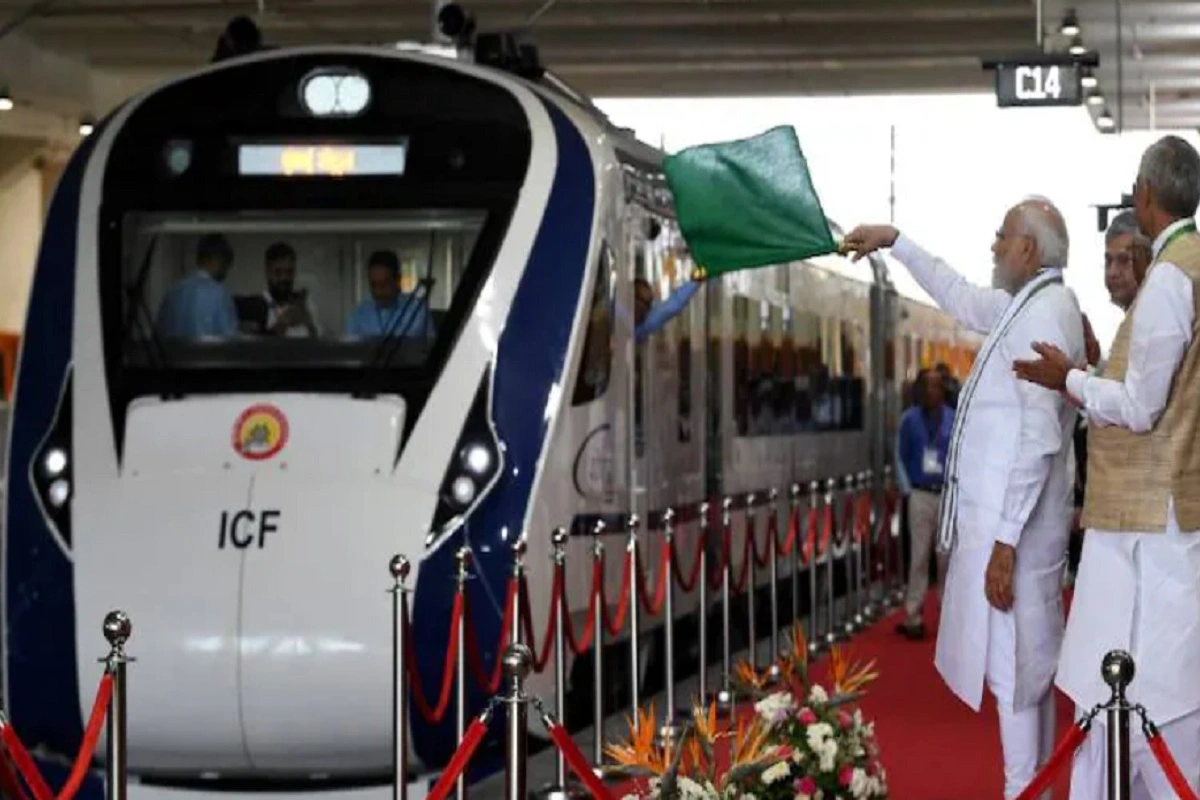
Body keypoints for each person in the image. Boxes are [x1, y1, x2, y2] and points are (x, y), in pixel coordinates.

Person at [843, 197, 1085, 800]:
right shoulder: (1024, 305)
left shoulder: (1041, 315)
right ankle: (1031, 790)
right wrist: (897, 240)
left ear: (1029, 249)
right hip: (1016, 534)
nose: (994, 244)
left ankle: (1021, 791)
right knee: (1022, 680)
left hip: (1018, 539)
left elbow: (1038, 438)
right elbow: (955, 293)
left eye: (1003, 236)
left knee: (1015, 681)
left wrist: (1004, 542)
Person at [1014, 135, 1200, 799]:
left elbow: (1140, 406)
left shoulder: (1173, 275)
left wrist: (1072, 380)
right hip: (1170, 517)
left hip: (1147, 529)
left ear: (1145, 195)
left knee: (1132, 693)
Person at [895, 368, 954, 640]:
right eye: (927, 386)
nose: (932, 391)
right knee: (919, 556)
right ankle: (913, 615)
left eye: (936, 386)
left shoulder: (953, 419)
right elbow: (899, 455)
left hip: (945, 494)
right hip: (919, 494)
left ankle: (948, 615)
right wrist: (907, 489)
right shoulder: (909, 421)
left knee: (945, 559)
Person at [155, 233, 238, 339]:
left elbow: (158, 337)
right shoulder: (220, 296)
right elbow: (230, 342)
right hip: (209, 356)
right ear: (218, 259)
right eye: (226, 265)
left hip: (172, 355)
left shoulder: (172, 293)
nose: (226, 272)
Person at [344, 250, 434, 338]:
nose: (378, 291)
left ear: (398, 280)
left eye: (384, 284)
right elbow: (350, 350)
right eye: (373, 285)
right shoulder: (358, 315)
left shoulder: (417, 311)